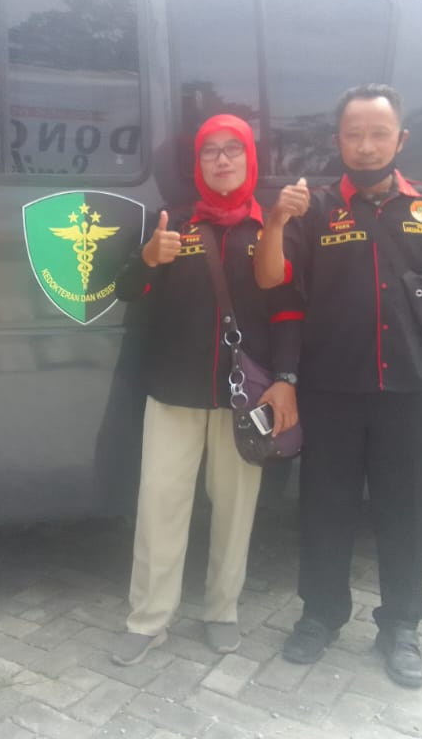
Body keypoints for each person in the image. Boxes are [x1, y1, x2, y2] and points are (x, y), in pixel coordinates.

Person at [254, 84, 422, 688]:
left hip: (407, 392)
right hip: (330, 390)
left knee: (405, 512)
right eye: (354, 134)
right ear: (338, 141)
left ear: (400, 139)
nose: (366, 145)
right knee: (324, 510)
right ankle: (321, 615)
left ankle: (402, 626)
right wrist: (277, 218)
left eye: (378, 134)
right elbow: (272, 279)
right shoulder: (314, 208)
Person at [110, 113, 302, 666]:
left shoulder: (269, 226)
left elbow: (288, 310)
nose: (221, 159)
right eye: (210, 151)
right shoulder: (172, 223)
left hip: (246, 399)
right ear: (197, 164)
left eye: (232, 149)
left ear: (250, 159)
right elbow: (126, 290)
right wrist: (150, 258)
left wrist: (286, 380)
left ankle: (221, 611)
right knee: (159, 507)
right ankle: (149, 619)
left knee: (236, 508)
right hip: (173, 391)